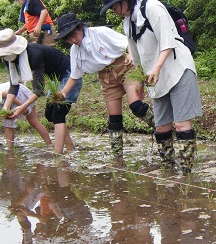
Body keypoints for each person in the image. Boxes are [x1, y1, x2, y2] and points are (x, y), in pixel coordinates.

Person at [99, 0, 202, 174]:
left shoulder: (153, 7)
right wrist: (138, 82)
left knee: (181, 124)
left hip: (178, 68)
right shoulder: (128, 23)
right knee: (161, 127)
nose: (113, 11)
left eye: (113, 6)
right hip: (156, 77)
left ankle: (187, 175)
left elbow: (168, 41)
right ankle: (168, 171)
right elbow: (136, 58)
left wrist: (157, 67)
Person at [55, 13, 155, 157]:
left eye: (74, 35)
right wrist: (63, 93)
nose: (72, 40)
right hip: (107, 78)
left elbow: (128, 43)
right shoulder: (75, 51)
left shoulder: (100, 33)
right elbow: (75, 76)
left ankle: (161, 128)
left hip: (126, 67)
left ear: (80, 28)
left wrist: (132, 55)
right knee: (114, 120)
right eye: (68, 38)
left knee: (136, 106)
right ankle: (117, 156)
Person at [0, 28, 82, 154]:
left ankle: (58, 155)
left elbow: (38, 90)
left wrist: (22, 107)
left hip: (69, 75)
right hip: (54, 79)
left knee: (58, 114)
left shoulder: (34, 55)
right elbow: (14, 86)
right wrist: (6, 107)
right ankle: (70, 146)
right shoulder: (9, 60)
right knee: (50, 115)